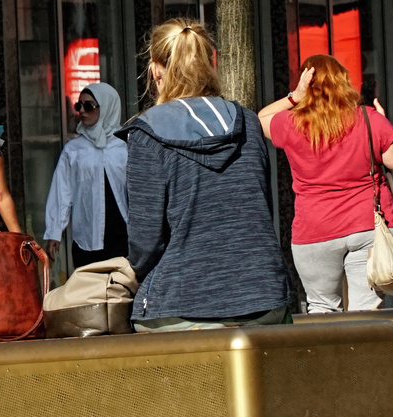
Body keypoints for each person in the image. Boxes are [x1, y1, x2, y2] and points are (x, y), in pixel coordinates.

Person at [122, 18, 289, 330]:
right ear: (209, 62)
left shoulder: (147, 133)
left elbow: (144, 242)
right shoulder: (248, 123)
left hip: (182, 302)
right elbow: (260, 208)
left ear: (156, 69)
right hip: (263, 296)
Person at [260, 55, 393, 313]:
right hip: (370, 226)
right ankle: (366, 354)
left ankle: (330, 354)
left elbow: (261, 118)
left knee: (321, 308)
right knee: (366, 309)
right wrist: (382, 123)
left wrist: (294, 96)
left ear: (308, 85)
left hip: (316, 230)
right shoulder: (368, 118)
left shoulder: (292, 123)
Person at [42, 81, 128, 268]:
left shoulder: (125, 146)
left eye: (89, 106)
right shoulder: (73, 150)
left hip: (123, 237)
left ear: (106, 108)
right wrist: (54, 232)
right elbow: (62, 191)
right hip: (87, 240)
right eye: (78, 105)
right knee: (89, 294)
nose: (82, 111)